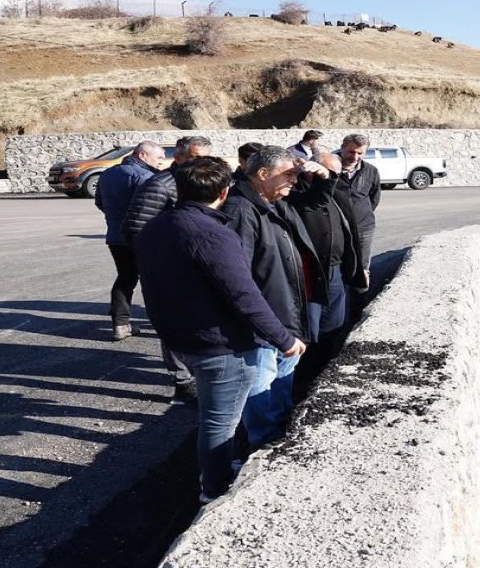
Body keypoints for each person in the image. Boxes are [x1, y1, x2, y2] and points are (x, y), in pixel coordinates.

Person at [133, 156, 306, 503]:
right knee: (219, 423)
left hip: (184, 338)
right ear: (224, 191)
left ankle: (218, 470)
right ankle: (214, 488)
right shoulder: (213, 234)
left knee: (214, 417)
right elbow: (244, 295)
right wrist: (285, 340)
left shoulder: (157, 225)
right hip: (220, 346)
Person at [222, 145, 326, 449]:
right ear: (263, 174)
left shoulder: (273, 202)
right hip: (265, 321)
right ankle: (262, 443)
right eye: (289, 174)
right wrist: (265, 323)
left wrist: (319, 176)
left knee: (280, 379)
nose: (295, 180)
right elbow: (238, 277)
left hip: (284, 314)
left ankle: (278, 433)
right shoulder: (242, 209)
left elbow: (319, 201)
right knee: (260, 384)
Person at [121, 135, 214, 404]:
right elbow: (134, 227)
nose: (201, 162)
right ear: (180, 157)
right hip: (171, 270)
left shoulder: (199, 182)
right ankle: (183, 383)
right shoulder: (160, 185)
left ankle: (198, 375)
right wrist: (162, 261)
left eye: (205, 157)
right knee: (173, 326)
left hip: (199, 269)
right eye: (195, 157)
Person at [288, 152, 368, 397]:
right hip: (310, 275)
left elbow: (353, 231)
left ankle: (322, 374)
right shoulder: (297, 196)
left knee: (334, 326)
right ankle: (302, 382)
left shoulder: (339, 194)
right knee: (310, 331)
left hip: (337, 272)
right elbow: (314, 202)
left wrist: (359, 266)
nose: (334, 178)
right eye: (329, 174)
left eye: (336, 174)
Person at [94, 141, 165, 341]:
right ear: (142, 155)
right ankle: (161, 323)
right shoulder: (146, 177)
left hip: (116, 237)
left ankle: (120, 324)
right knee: (154, 281)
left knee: (125, 279)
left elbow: (99, 202)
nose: (161, 162)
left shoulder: (107, 174)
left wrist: (116, 218)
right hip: (143, 236)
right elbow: (154, 206)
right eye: (158, 157)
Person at [336, 133, 381, 287]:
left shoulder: (371, 171)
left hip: (364, 228)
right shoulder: (329, 169)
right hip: (336, 230)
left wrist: (360, 214)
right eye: (351, 152)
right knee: (338, 269)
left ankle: (358, 305)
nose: (355, 157)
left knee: (361, 270)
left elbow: (374, 198)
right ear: (342, 148)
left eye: (360, 153)